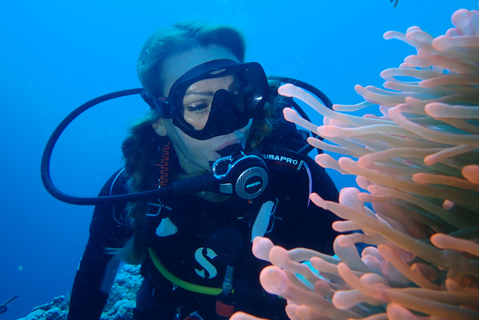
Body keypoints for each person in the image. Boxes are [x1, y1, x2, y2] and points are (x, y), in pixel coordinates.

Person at [67, 22, 339, 320]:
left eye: (236, 96)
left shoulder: (296, 176)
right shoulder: (132, 189)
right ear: (160, 120)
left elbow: (356, 276)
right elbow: (93, 287)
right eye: (197, 106)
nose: (230, 123)